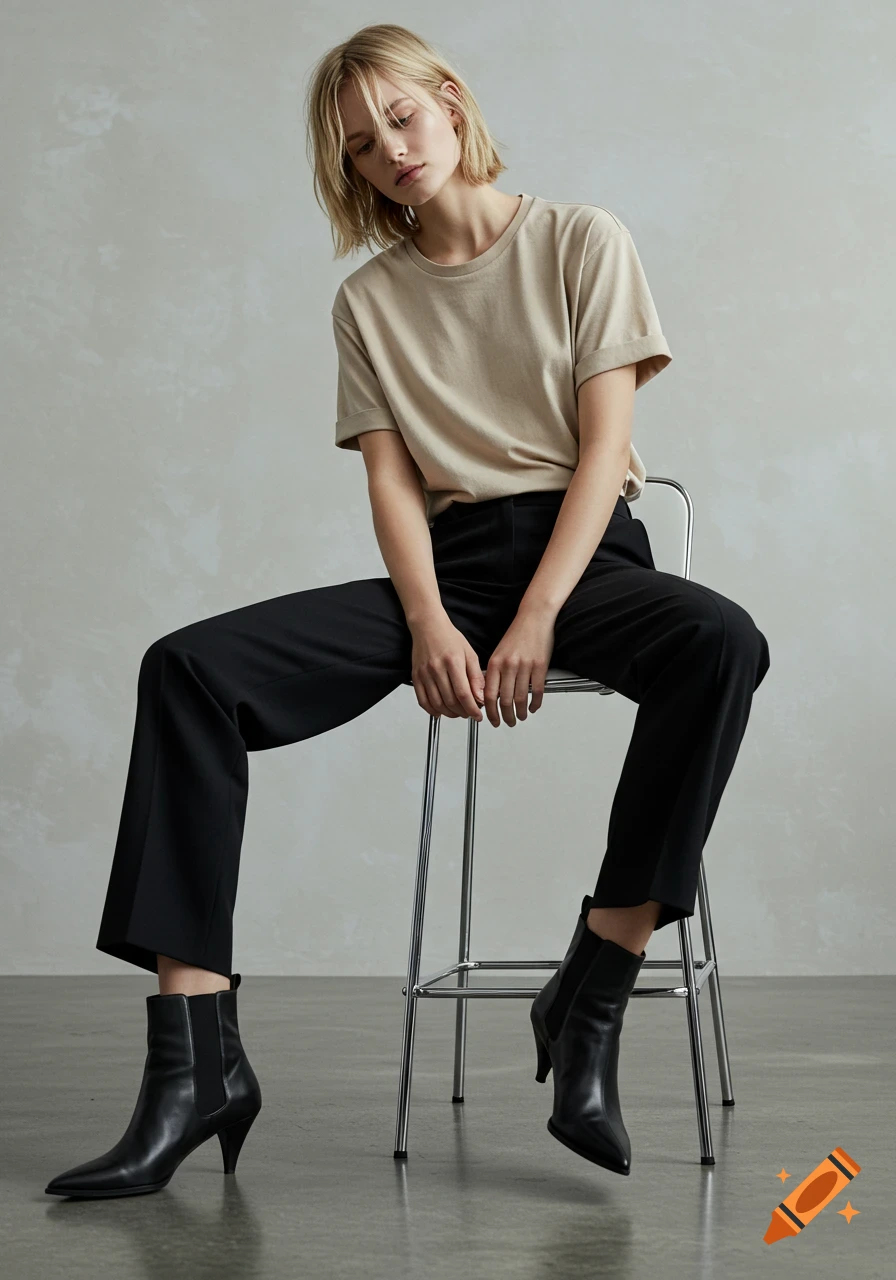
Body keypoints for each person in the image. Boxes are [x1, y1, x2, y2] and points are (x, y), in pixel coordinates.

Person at [45, 23, 770, 1198]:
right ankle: (196, 1061)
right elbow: (390, 483)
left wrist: (537, 614)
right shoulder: (367, 301)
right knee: (187, 668)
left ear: (449, 103)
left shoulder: (579, 239)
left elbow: (603, 453)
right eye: (358, 145)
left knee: (721, 640)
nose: (389, 151)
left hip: (585, 561)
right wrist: (430, 619)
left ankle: (593, 985)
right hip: (452, 569)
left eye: (400, 117)